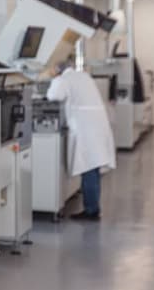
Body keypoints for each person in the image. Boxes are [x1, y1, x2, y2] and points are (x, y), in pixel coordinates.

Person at [46, 56, 116, 220]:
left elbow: (52, 96)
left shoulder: (64, 79)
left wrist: (53, 78)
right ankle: (93, 207)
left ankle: (91, 211)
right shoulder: (83, 76)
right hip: (96, 127)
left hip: (87, 130)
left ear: (57, 69)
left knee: (89, 169)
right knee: (92, 169)